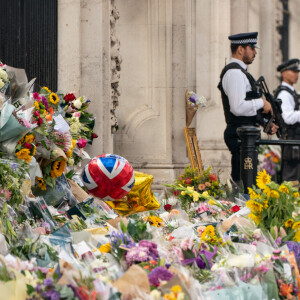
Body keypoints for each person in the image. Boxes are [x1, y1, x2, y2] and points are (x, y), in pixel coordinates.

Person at [218, 32, 277, 187]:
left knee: (247, 185)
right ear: (240, 49)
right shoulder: (234, 73)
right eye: (252, 48)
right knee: (243, 186)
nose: (255, 52)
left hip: (245, 135)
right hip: (239, 135)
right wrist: (261, 103)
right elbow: (237, 108)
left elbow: (246, 108)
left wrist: (265, 123)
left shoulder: (241, 73)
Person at [274, 59, 300, 182]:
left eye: (297, 72)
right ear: (284, 73)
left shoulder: (291, 92)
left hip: (294, 139)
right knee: (291, 175)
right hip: (291, 138)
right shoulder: (284, 94)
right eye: (293, 71)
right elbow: (287, 118)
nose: (297, 74)